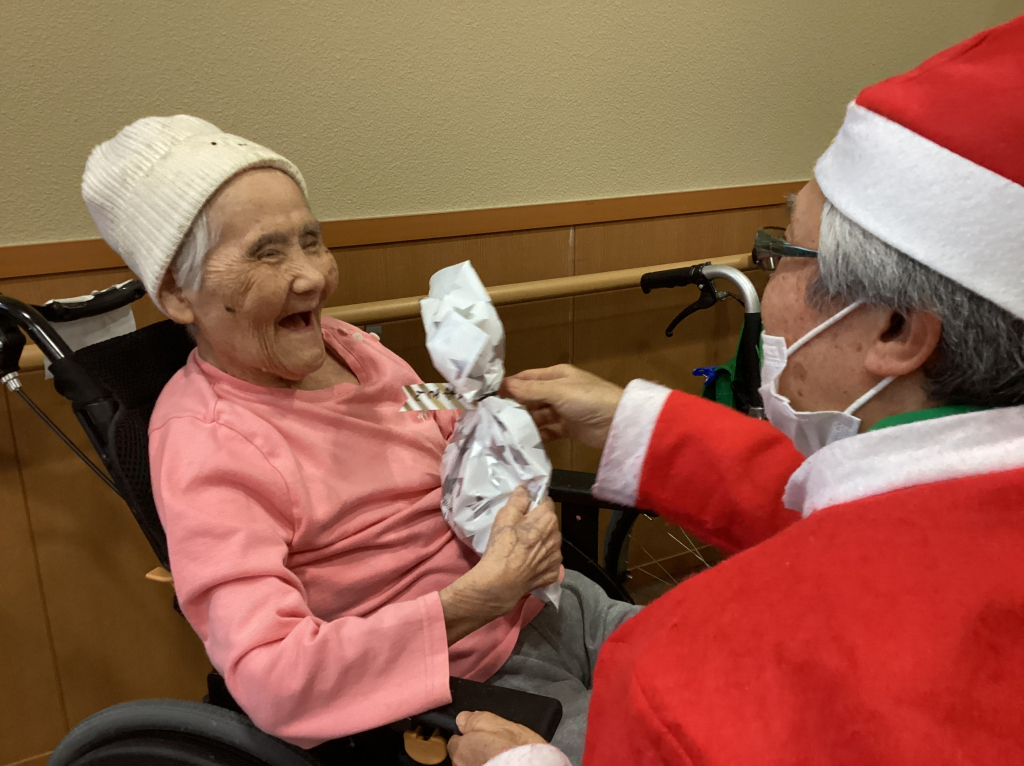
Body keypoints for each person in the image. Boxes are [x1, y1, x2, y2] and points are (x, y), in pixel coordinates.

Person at [447, 15, 1024, 766]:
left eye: (785, 254)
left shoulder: (685, 685)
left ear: (895, 330)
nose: (770, 282)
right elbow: (860, 518)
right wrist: (630, 422)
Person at [80, 115, 638, 761]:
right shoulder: (208, 443)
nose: (312, 276)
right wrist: (480, 597)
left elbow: (408, 409)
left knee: (723, 666)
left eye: (311, 240)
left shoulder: (346, 345)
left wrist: (488, 408)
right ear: (178, 293)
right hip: (475, 679)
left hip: (563, 604)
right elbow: (272, 677)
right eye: (267, 252)